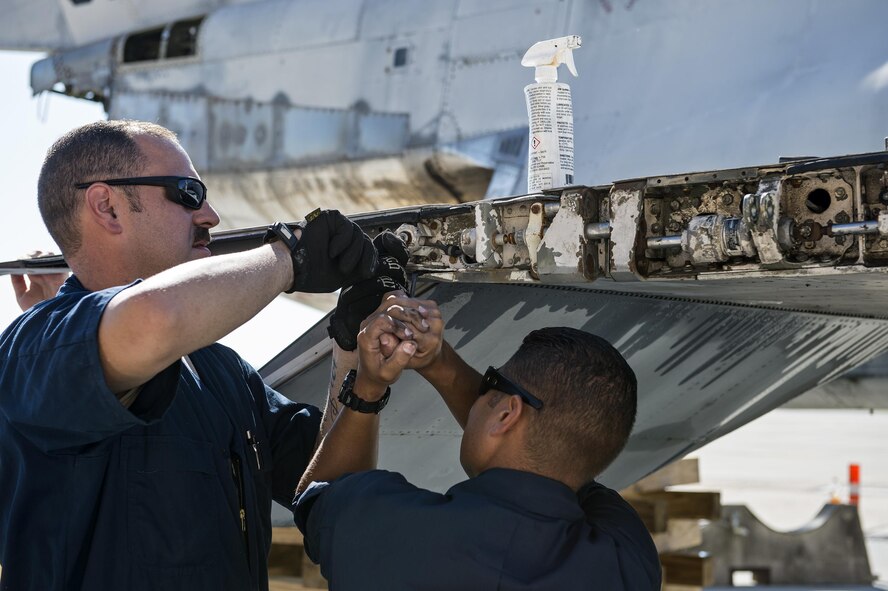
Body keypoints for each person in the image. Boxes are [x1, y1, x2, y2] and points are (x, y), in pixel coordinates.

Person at [0, 120, 396, 591]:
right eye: (187, 193)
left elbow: (335, 495)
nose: (209, 215)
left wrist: (352, 352)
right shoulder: (37, 347)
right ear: (107, 207)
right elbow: (154, 320)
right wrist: (292, 260)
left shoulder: (221, 371)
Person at [293, 317, 662, 590]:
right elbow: (561, 453)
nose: (477, 400)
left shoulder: (392, 527)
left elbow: (319, 497)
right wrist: (438, 362)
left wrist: (368, 389)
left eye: (489, 386)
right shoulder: (630, 562)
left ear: (506, 414)